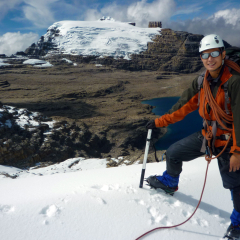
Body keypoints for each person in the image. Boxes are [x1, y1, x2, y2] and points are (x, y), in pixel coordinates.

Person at [145, 34, 240, 239]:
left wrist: (237, 152)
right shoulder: (202, 80)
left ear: (223, 54)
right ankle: (170, 183)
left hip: (231, 141)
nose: (210, 59)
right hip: (208, 136)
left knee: (236, 184)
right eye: (205, 55)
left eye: (214, 53)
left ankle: (238, 225)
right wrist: (159, 122)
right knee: (173, 152)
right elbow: (183, 107)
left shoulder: (235, 82)